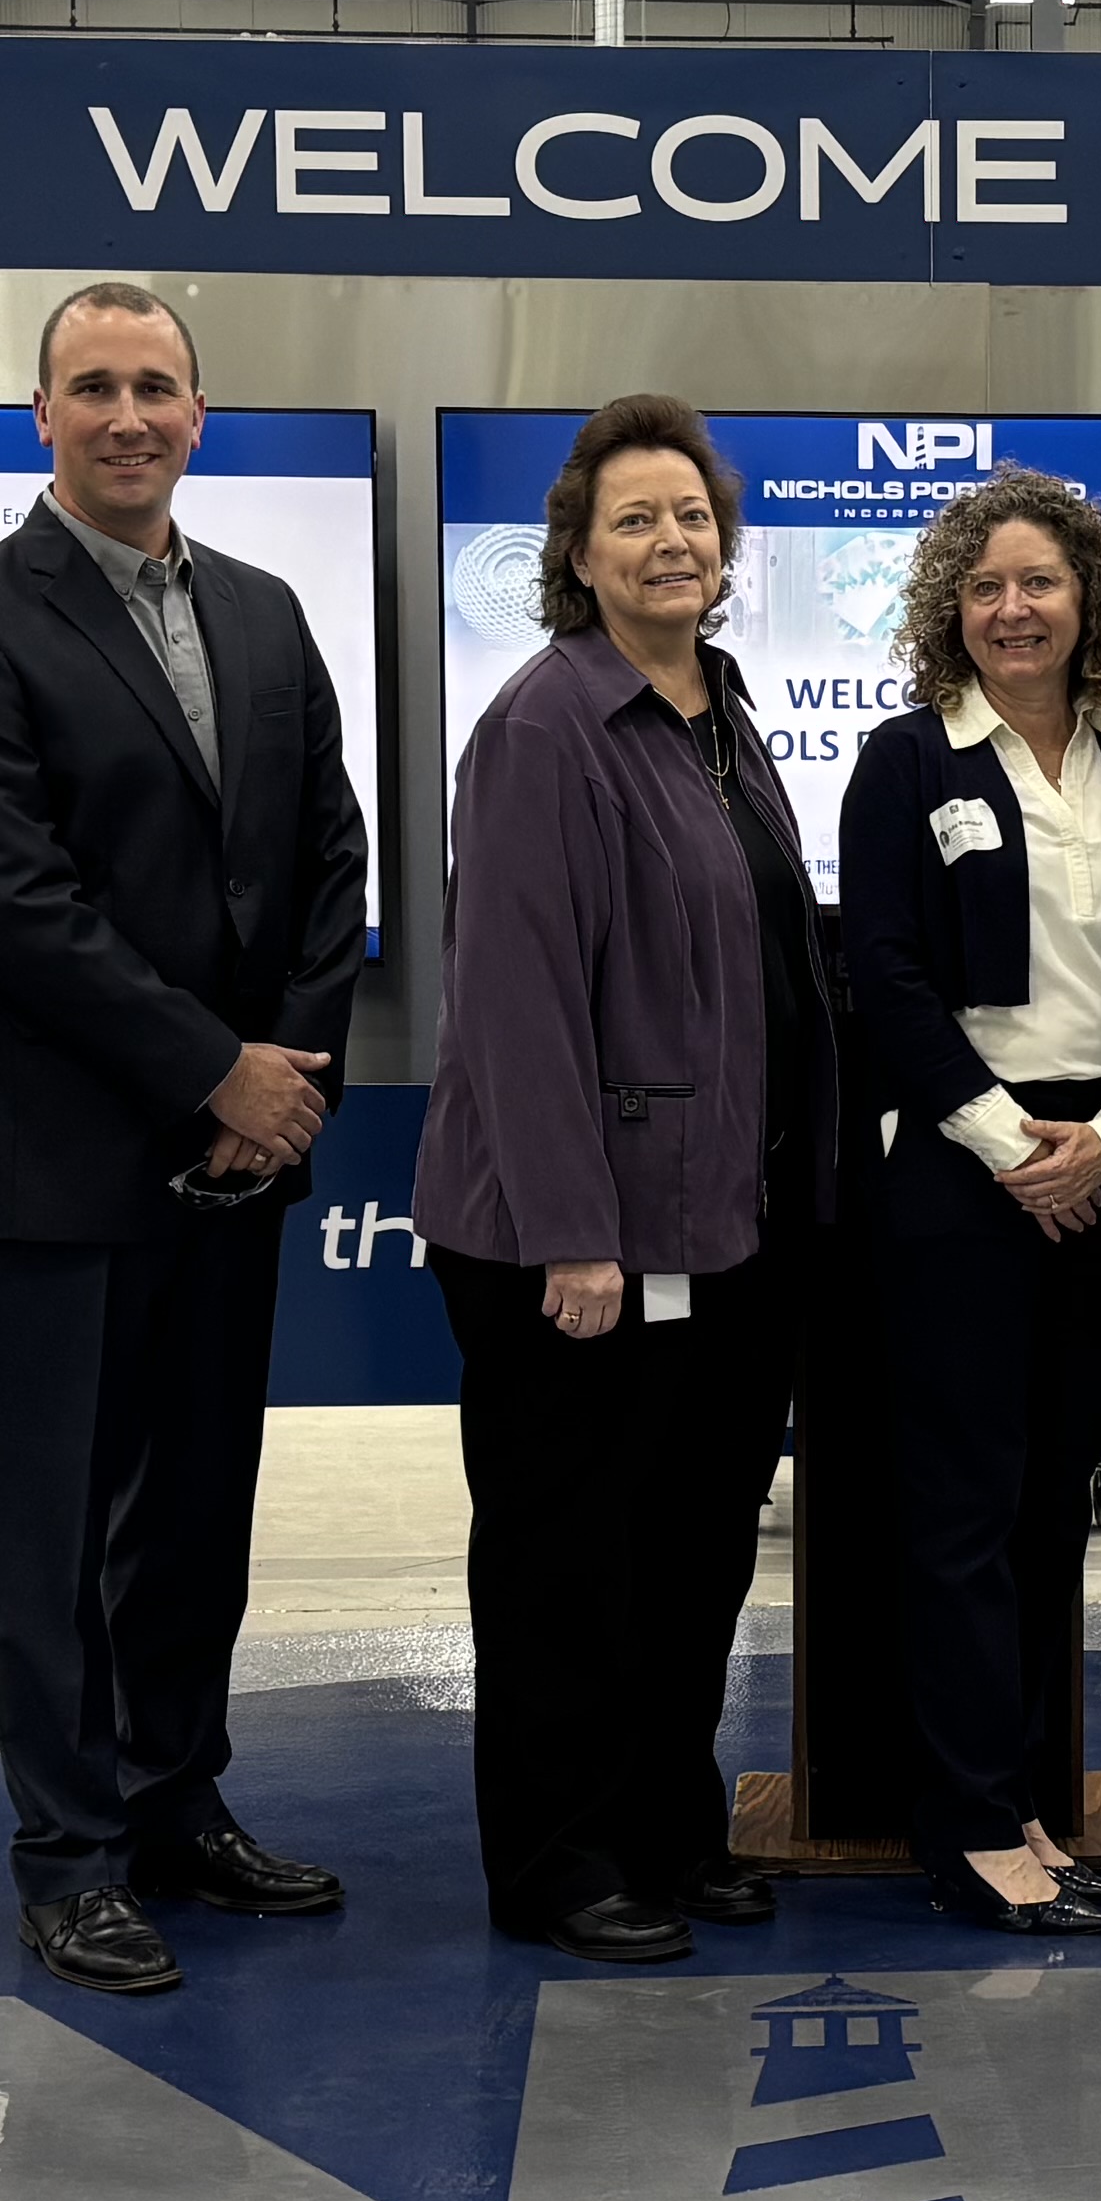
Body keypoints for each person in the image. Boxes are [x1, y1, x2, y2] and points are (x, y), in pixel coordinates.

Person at [0, 283, 369, 1998]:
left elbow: (329, 854)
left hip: (242, 1158)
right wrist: (212, 1072)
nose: (126, 415)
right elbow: (13, 901)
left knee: (194, 1515)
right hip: (62, 1163)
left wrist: (283, 1078)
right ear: (41, 415)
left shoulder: (263, 609)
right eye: (91, 386)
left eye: (155, 385)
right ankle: (70, 1855)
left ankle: (177, 1802)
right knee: (50, 1529)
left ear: (197, 412)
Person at [413, 396, 837, 1963]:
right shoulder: (545, 728)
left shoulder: (720, 716)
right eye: (636, 520)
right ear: (579, 557)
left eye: (693, 517)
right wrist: (571, 1236)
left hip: (725, 1227)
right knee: (568, 1559)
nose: (673, 542)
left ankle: (666, 1826)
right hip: (582, 1244)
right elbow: (514, 1005)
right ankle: (561, 1863)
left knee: (694, 1548)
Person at [836, 473, 1101, 1937]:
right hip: (956, 1168)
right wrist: (1007, 1147)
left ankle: (1028, 1796)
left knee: (1054, 1502)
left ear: (1089, 600)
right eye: (984, 588)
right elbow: (884, 975)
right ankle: (969, 1822)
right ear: (951, 612)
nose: (1013, 609)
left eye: (1040, 582)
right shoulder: (906, 762)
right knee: (964, 1508)